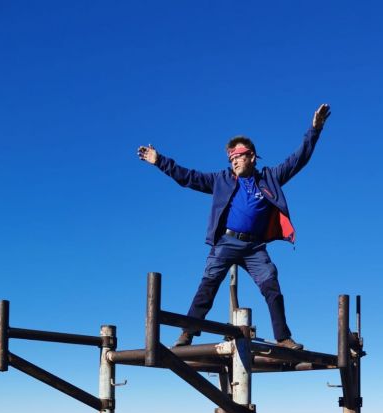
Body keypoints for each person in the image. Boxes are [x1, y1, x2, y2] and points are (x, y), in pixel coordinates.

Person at [137, 104, 331, 349]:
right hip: (226, 242)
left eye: (238, 156)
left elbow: (298, 159)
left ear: (251, 156)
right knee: (208, 284)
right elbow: (188, 177)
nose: (234, 161)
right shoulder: (220, 180)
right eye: (231, 158)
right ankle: (187, 333)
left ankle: (283, 338)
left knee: (271, 283)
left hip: (254, 247)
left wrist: (315, 130)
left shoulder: (270, 178)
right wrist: (159, 161)